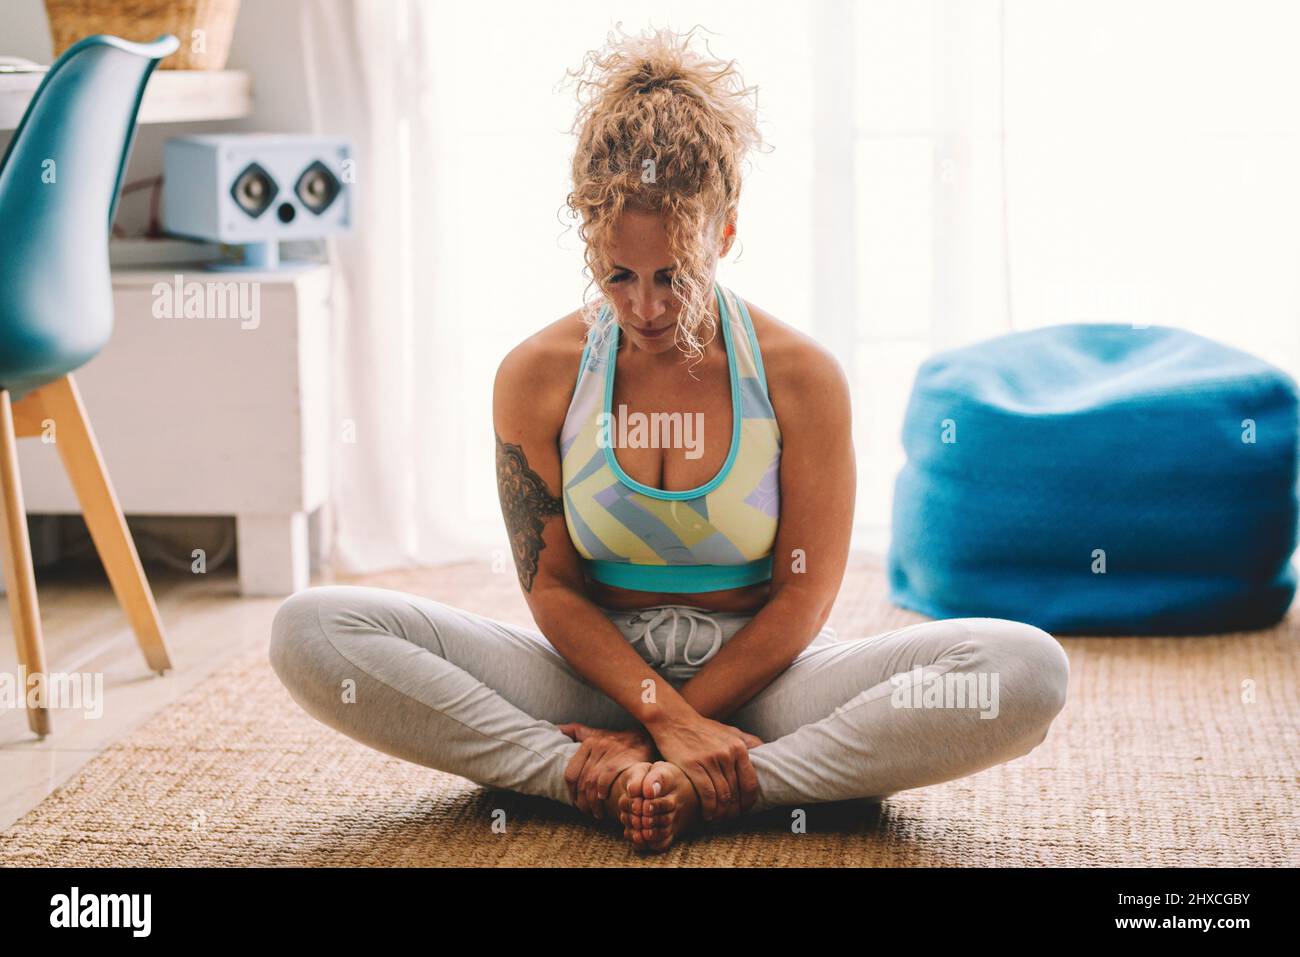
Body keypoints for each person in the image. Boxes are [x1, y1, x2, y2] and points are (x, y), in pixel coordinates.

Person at [269, 24, 1070, 854]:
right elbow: (555, 593)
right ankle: (589, 771)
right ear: (590, 245)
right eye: (618, 275)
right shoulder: (536, 376)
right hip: (592, 677)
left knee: (1024, 667)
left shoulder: (803, 377)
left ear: (723, 234)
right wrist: (661, 715)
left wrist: (682, 725)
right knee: (312, 627)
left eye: (673, 277)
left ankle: (732, 780)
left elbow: (802, 599)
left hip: (769, 683)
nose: (646, 308)